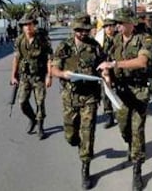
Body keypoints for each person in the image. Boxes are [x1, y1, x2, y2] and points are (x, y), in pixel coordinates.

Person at [98, 8, 152, 191]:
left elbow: (142, 62)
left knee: (137, 130)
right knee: (124, 128)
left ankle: (137, 170)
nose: (118, 26)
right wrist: (107, 73)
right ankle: (130, 144)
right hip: (121, 92)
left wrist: (114, 64)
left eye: (121, 23)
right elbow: (108, 59)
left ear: (132, 23)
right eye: (117, 23)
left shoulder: (144, 39)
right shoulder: (114, 40)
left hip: (138, 91)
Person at [51, 13, 104, 190]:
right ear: (74, 29)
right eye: (79, 30)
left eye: (85, 30)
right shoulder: (64, 46)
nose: (82, 33)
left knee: (88, 133)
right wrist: (62, 74)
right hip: (70, 97)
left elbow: (102, 67)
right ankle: (77, 143)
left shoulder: (95, 46)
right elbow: (54, 69)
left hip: (90, 96)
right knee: (70, 135)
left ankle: (85, 168)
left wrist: (106, 75)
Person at [10, 13, 53, 140]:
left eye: (30, 24)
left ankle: (40, 126)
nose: (28, 27)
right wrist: (13, 76)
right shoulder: (19, 40)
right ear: (22, 27)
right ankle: (32, 119)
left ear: (34, 25)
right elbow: (16, 59)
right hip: (25, 77)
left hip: (39, 76)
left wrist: (49, 76)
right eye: (25, 25)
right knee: (22, 102)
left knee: (40, 102)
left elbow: (50, 58)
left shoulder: (42, 40)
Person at [101, 18, 117, 128]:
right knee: (106, 93)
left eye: (111, 25)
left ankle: (123, 112)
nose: (109, 28)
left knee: (122, 91)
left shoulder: (119, 38)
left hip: (118, 68)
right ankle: (109, 116)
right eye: (106, 26)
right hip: (105, 70)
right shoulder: (100, 39)